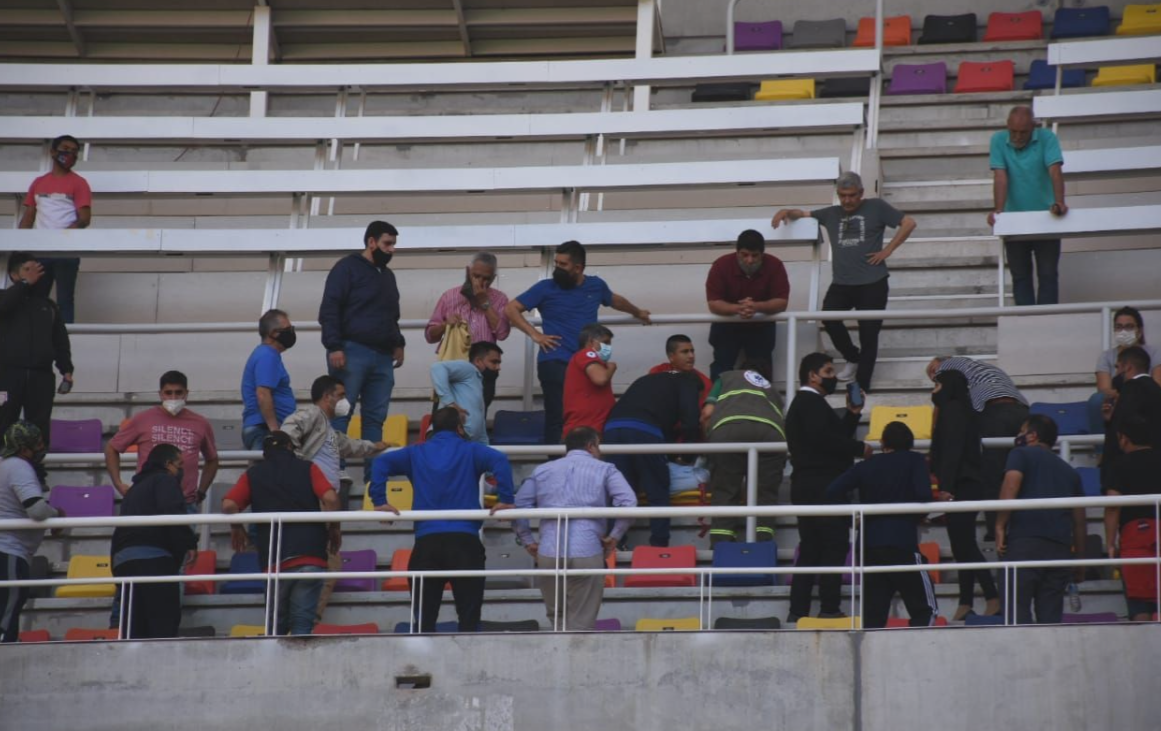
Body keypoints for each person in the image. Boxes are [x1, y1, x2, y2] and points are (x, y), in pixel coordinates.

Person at [369, 407, 515, 633]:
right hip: (465, 542)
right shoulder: (472, 450)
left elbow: (380, 464)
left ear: (433, 429)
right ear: (459, 428)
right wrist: (506, 498)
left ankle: (426, 665)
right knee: (469, 620)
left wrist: (379, 499)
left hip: (427, 542)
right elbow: (500, 460)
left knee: (424, 622)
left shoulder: (415, 452)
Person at [772, 171, 917, 392]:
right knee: (829, 318)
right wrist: (785, 211)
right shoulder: (832, 212)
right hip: (842, 283)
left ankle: (863, 385)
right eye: (842, 196)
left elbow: (908, 223)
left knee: (869, 334)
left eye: (851, 195)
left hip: (873, 282)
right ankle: (852, 357)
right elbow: (803, 213)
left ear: (861, 193)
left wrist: (888, 250)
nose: (847, 200)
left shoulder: (876, 206)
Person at [506, 240, 651, 445]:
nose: (557, 268)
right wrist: (535, 335)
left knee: (591, 413)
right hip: (556, 361)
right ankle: (556, 467)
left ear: (578, 267)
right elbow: (511, 308)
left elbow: (615, 300)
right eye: (556, 263)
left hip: (587, 363)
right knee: (558, 416)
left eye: (562, 264)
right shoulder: (545, 287)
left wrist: (638, 312)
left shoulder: (596, 285)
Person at [280, 375, 388, 625]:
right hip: (311, 499)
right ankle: (302, 623)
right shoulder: (311, 415)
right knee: (324, 562)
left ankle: (302, 622)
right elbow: (286, 435)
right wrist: (295, 468)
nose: (344, 400)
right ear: (327, 396)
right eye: (340, 395)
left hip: (324, 504)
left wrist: (374, 446)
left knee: (328, 561)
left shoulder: (328, 430)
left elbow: (349, 445)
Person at [513, 427, 638, 631]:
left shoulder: (543, 470)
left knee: (557, 620)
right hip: (587, 550)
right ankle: (577, 661)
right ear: (591, 446)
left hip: (549, 552)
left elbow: (520, 505)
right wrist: (615, 536)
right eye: (598, 446)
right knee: (582, 622)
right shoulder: (605, 469)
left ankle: (561, 660)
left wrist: (528, 541)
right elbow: (629, 502)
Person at [222, 432, 343, 636]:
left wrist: (236, 527)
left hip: (274, 558)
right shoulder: (308, 468)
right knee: (302, 629)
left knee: (275, 631)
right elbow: (330, 499)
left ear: (265, 453)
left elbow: (229, 505)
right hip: (310, 554)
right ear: (290, 448)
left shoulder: (253, 474)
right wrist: (334, 528)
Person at [827, 422, 945, 628]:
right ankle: (921, 650)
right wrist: (919, 512)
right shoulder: (915, 460)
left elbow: (832, 492)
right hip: (902, 543)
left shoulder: (865, 465)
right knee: (924, 609)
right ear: (910, 442)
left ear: (883, 442)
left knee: (873, 616)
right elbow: (924, 495)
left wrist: (853, 519)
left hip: (868, 546)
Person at [785, 352, 870, 623]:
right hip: (823, 485)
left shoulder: (808, 404)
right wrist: (860, 448)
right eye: (830, 372)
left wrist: (853, 415)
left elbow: (831, 438)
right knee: (832, 546)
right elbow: (824, 441)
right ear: (813, 375)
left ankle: (798, 610)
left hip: (808, 485)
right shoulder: (810, 403)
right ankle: (829, 607)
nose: (833, 378)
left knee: (810, 549)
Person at [319, 221, 406, 479]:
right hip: (351, 350)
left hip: (381, 355)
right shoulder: (346, 268)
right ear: (371, 242)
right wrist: (334, 345)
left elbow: (392, 315)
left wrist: (397, 342)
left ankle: (373, 476)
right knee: (341, 412)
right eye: (387, 243)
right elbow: (330, 308)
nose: (391, 249)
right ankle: (336, 471)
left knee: (375, 418)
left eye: (393, 244)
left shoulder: (387, 276)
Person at [995, 415, 1086, 625]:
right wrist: (1080, 560)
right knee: (1050, 621)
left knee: (1016, 617)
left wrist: (1000, 525)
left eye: (1021, 430)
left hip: (1025, 545)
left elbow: (1010, 486)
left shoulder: (1020, 453)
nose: (1018, 436)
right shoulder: (1070, 472)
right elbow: (1080, 521)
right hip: (1060, 551)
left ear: (1032, 435)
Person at [927, 355, 1029, 540]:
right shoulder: (980, 367)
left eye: (934, 377)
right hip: (1022, 411)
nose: (935, 380)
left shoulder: (947, 368)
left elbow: (944, 405)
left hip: (995, 412)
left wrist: (935, 435)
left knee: (991, 475)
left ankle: (995, 532)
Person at [929, 369, 1000, 620]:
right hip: (965, 483)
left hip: (962, 485)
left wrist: (945, 487)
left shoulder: (953, 411)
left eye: (936, 385)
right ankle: (965, 601)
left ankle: (991, 596)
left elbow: (952, 452)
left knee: (965, 544)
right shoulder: (961, 410)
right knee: (961, 545)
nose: (933, 390)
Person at [602, 371, 703, 548]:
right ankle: (659, 547)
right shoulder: (688, 382)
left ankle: (615, 545)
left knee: (620, 493)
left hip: (612, 429)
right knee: (657, 489)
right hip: (643, 430)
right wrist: (688, 455)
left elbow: (665, 425)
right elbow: (691, 421)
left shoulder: (648, 380)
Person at [110, 444, 197, 640]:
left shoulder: (134, 490)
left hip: (123, 562)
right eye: (179, 465)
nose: (181, 470)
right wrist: (189, 543)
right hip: (154, 561)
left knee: (134, 629)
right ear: (168, 464)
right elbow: (172, 513)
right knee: (163, 625)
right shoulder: (165, 480)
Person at [105, 370, 219, 513]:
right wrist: (118, 484)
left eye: (178, 392)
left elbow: (212, 459)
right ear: (160, 394)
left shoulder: (201, 423)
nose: (173, 397)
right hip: (147, 500)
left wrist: (201, 491)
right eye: (168, 393)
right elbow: (112, 447)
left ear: (186, 393)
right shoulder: (143, 419)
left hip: (184, 502)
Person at [987, 105, 1068, 306]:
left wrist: (1060, 201)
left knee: (1048, 274)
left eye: (1023, 132)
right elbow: (1000, 176)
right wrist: (999, 210)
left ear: (1034, 127)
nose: (1017, 136)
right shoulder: (998, 139)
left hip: (1047, 217)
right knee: (1020, 276)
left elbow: (1055, 170)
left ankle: (1047, 318)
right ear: (1007, 126)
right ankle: (1025, 319)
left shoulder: (1047, 138)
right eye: (1013, 131)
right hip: (1015, 219)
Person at [701, 360, 786, 545]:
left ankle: (722, 544)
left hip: (729, 430)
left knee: (725, 491)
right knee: (765, 493)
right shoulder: (771, 390)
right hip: (771, 435)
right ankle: (762, 543)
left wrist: (708, 444)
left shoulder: (726, 377)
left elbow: (707, 412)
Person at [0, 253, 73, 451]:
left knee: (39, 428)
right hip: (7, 375)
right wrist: (24, 284)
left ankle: (36, 475)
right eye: (28, 270)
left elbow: (60, 341)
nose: (35, 275)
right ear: (14, 275)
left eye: (37, 270)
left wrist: (66, 369)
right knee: (3, 423)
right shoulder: (4, 297)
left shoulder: (48, 306)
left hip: (41, 377)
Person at [17, 134, 91, 324]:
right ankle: (36, 337)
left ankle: (65, 340)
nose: (70, 154)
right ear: (52, 152)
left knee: (65, 300)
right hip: (40, 251)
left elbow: (84, 219)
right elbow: (28, 217)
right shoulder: (38, 183)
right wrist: (20, 248)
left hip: (66, 252)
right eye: (65, 149)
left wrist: (63, 238)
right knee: (36, 299)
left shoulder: (79, 183)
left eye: (74, 152)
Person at [0, 422, 60, 643]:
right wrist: (57, 515)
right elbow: (36, 509)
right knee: (6, 616)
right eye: (38, 445)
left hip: (9, 553)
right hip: (8, 553)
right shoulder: (18, 467)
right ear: (24, 449)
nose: (41, 449)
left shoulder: (4, 464)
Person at [703, 230, 790, 381]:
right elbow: (713, 303)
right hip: (727, 326)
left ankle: (762, 404)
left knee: (761, 372)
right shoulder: (721, 265)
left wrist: (756, 307)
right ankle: (717, 404)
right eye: (744, 255)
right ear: (737, 253)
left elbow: (782, 302)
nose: (749, 260)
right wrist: (739, 309)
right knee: (721, 370)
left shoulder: (775, 265)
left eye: (755, 255)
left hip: (760, 327)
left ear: (762, 254)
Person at [1103, 415, 1160, 621]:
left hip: (1136, 537)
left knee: (1140, 607)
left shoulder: (1118, 465)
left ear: (1124, 438)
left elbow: (1112, 506)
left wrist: (1110, 543)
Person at [1088, 307, 1161, 434]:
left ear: (1140, 330)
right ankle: (1100, 451)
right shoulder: (1106, 356)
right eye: (1119, 327)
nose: (1123, 331)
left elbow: (1157, 384)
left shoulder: (1155, 353)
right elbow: (1104, 389)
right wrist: (1120, 395)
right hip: (1116, 399)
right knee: (1097, 400)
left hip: (1146, 398)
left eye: (1129, 327)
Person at [425, 252, 511, 351]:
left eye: (486, 278)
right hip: (454, 362)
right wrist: (445, 325)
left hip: (482, 362)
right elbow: (429, 337)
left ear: (493, 278)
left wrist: (485, 302)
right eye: (476, 276)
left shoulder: (500, 299)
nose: (479, 282)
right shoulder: (449, 297)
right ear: (468, 271)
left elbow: (502, 334)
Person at [240, 309, 298, 451]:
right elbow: (263, 394)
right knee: (266, 471)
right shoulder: (268, 356)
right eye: (288, 329)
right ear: (273, 333)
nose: (291, 332)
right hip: (264, 431)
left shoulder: (268, 354)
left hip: (264, 430)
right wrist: (275, 431)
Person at [430, 342, 503, 445]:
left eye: (499, 363)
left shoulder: (478, 381)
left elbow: (479, 423)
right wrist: (449, 403)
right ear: (478, 361)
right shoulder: (468, 368)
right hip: (449, 438)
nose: (498, 367)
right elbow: (437, 368)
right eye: (494, 362)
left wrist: (485, 447)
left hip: (464, 441)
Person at [562, 324, 616, 436]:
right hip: (585, 431)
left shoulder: (588, 360)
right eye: (605, 342)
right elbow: (600, 379)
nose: (608, 347)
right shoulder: (586, 354)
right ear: (591, 342)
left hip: (591, 428)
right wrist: (611, 368)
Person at [647, 334, 713, 409]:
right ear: (671, 357)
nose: (691, 356)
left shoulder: (704, 381)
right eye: (685, 352)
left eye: (692, 351)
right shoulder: (658, 371)